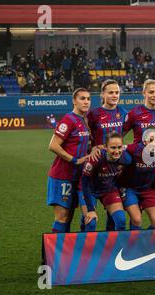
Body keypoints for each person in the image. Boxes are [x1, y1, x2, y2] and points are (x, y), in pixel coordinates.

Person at [47, 88, 91, 233]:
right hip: (62, 175)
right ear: (74, 101)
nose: (86, 102)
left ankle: (66, 253)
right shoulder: (69, 119)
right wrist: (74, 160)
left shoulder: (83, 120)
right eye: (82, 98)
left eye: (88, 99)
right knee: (62, 216)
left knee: (70, 215)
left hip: (76, 177)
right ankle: (53, 254)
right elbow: (53, 145)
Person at [87, 79, 128, 231]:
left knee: (116, 218)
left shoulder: (123, 113)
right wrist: (91, 148)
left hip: (113, 172)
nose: (114, 95)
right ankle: (86, 250)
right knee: (89, 220)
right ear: (103, 94)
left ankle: (111, 249)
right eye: (110, 92)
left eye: (117, 92)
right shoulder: (93, 114)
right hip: (93, 170)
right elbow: (85, 136)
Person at [81, 132, 132, 231]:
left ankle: (115, 246)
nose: (117, 151)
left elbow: (124, 177)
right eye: (113, 148)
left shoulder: (126, 159)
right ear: (105, 147)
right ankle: (85, 242)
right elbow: (84, 183)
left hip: (109, 190)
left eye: (119, 147)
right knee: (90, 222)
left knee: (121, 221)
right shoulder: (95, 159)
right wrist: (91, 210)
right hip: (89, 190)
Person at [120, 129, 155, 230]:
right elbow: (119, 148)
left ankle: (143, 241)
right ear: (144, 141)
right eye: (151, 140)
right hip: (130, 188)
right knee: (137, 220)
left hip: (148, 189)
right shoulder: (134, 149)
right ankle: (133, 242)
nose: (154, 143)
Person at [123, 79, 155, 144]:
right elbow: (121, 134)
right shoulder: (134, 113)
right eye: (151, 92)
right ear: (144, 93)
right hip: (139, 153)